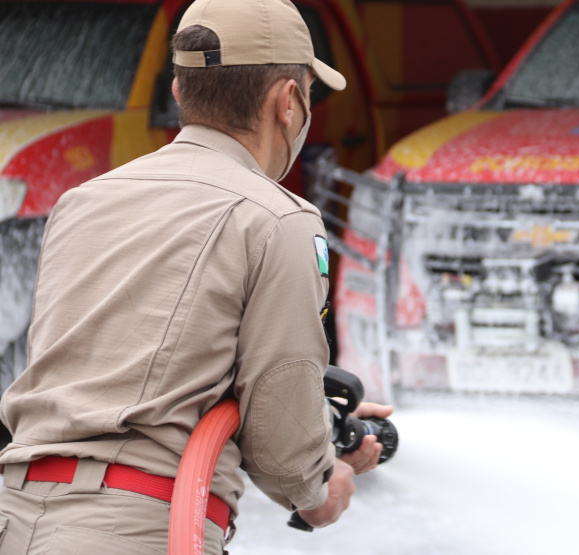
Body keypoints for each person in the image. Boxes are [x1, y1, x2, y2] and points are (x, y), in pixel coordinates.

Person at [0, 0, 391, 552]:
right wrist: (320, 487)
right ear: (288, 102)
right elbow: (281, 449)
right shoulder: (279, 218)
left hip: (13, 517)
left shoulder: (82, 201)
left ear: (181, 93)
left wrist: (316, 418)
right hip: (135, 530)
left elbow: (125, 374)